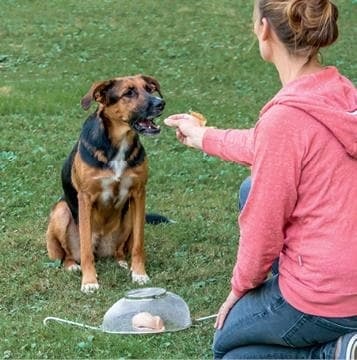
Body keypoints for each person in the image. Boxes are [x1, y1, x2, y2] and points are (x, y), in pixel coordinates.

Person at [164, 0, 357, 358]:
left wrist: (240, 289)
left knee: (228, 348)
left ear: (264, 30)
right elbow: (270, 145)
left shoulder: (285, 119)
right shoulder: (339, 92)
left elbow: (263, 226)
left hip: (331, 294)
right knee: (248, 187)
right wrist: (202, 136)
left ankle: (337, 351)